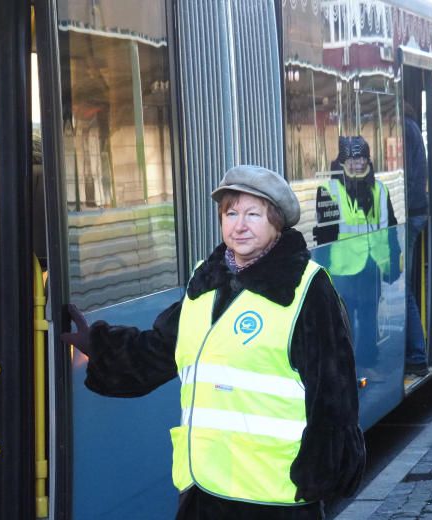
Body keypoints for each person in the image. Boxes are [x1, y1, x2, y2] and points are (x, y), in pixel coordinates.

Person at [62, 165, 365, 519]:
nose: (239, 225)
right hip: (205, 492)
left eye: (253, 214)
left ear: (276, 223)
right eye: (231, 213)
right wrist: (99, 346)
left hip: (275, 499)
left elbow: (334, 393)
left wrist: (317, 474)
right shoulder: (205, 283)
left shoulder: (306, 289)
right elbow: (161, 349)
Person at [313, 136, 400, 377]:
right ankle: (345, 368)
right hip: (343, 267)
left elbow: (390, 226)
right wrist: (323, 270)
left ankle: (368, 364)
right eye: (352, 158)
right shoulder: (329, 189)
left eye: (361, 157)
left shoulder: (379, 188)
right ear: (342, 161)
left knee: (370, 317)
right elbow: (324, 235)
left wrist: (393, 262)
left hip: (372, 264)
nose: (358, 163)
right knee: (344, 321)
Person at [403, 103, 429, 376]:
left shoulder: (404, 128)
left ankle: (416, 355)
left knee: (403, 288)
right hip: (416, 211)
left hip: (409, 214)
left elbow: (407, 177)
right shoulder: (410, 126)